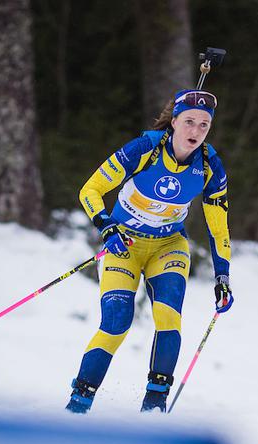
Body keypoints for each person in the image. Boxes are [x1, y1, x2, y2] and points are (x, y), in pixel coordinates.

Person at [65, 89, 234, 414]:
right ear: (173, 122)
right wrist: (105, 226)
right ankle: (78, 404)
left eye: (204, 125)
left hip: (169, 246)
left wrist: (223, 275)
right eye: (189, 122)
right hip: (124, 244)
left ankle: (154, 406)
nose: (196, 132)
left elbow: (219, 227)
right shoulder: (144, 149)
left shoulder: (210, 165)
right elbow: (91, 190)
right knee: (116, 322)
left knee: (168, 319)